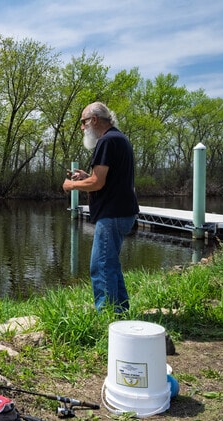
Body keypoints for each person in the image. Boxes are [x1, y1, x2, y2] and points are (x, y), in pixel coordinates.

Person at [63, 102, 139, 313]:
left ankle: (106, 316)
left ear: (94, 120)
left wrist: (72, 185)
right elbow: (105, 179)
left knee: (101, 266)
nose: (82, 127)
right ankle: (121, 311)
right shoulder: (119, 139)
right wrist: (87, 177)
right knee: (111, 264)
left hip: (112, 214)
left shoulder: (106, 142)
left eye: (83, 122)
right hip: (123, 211)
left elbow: (98, 183)